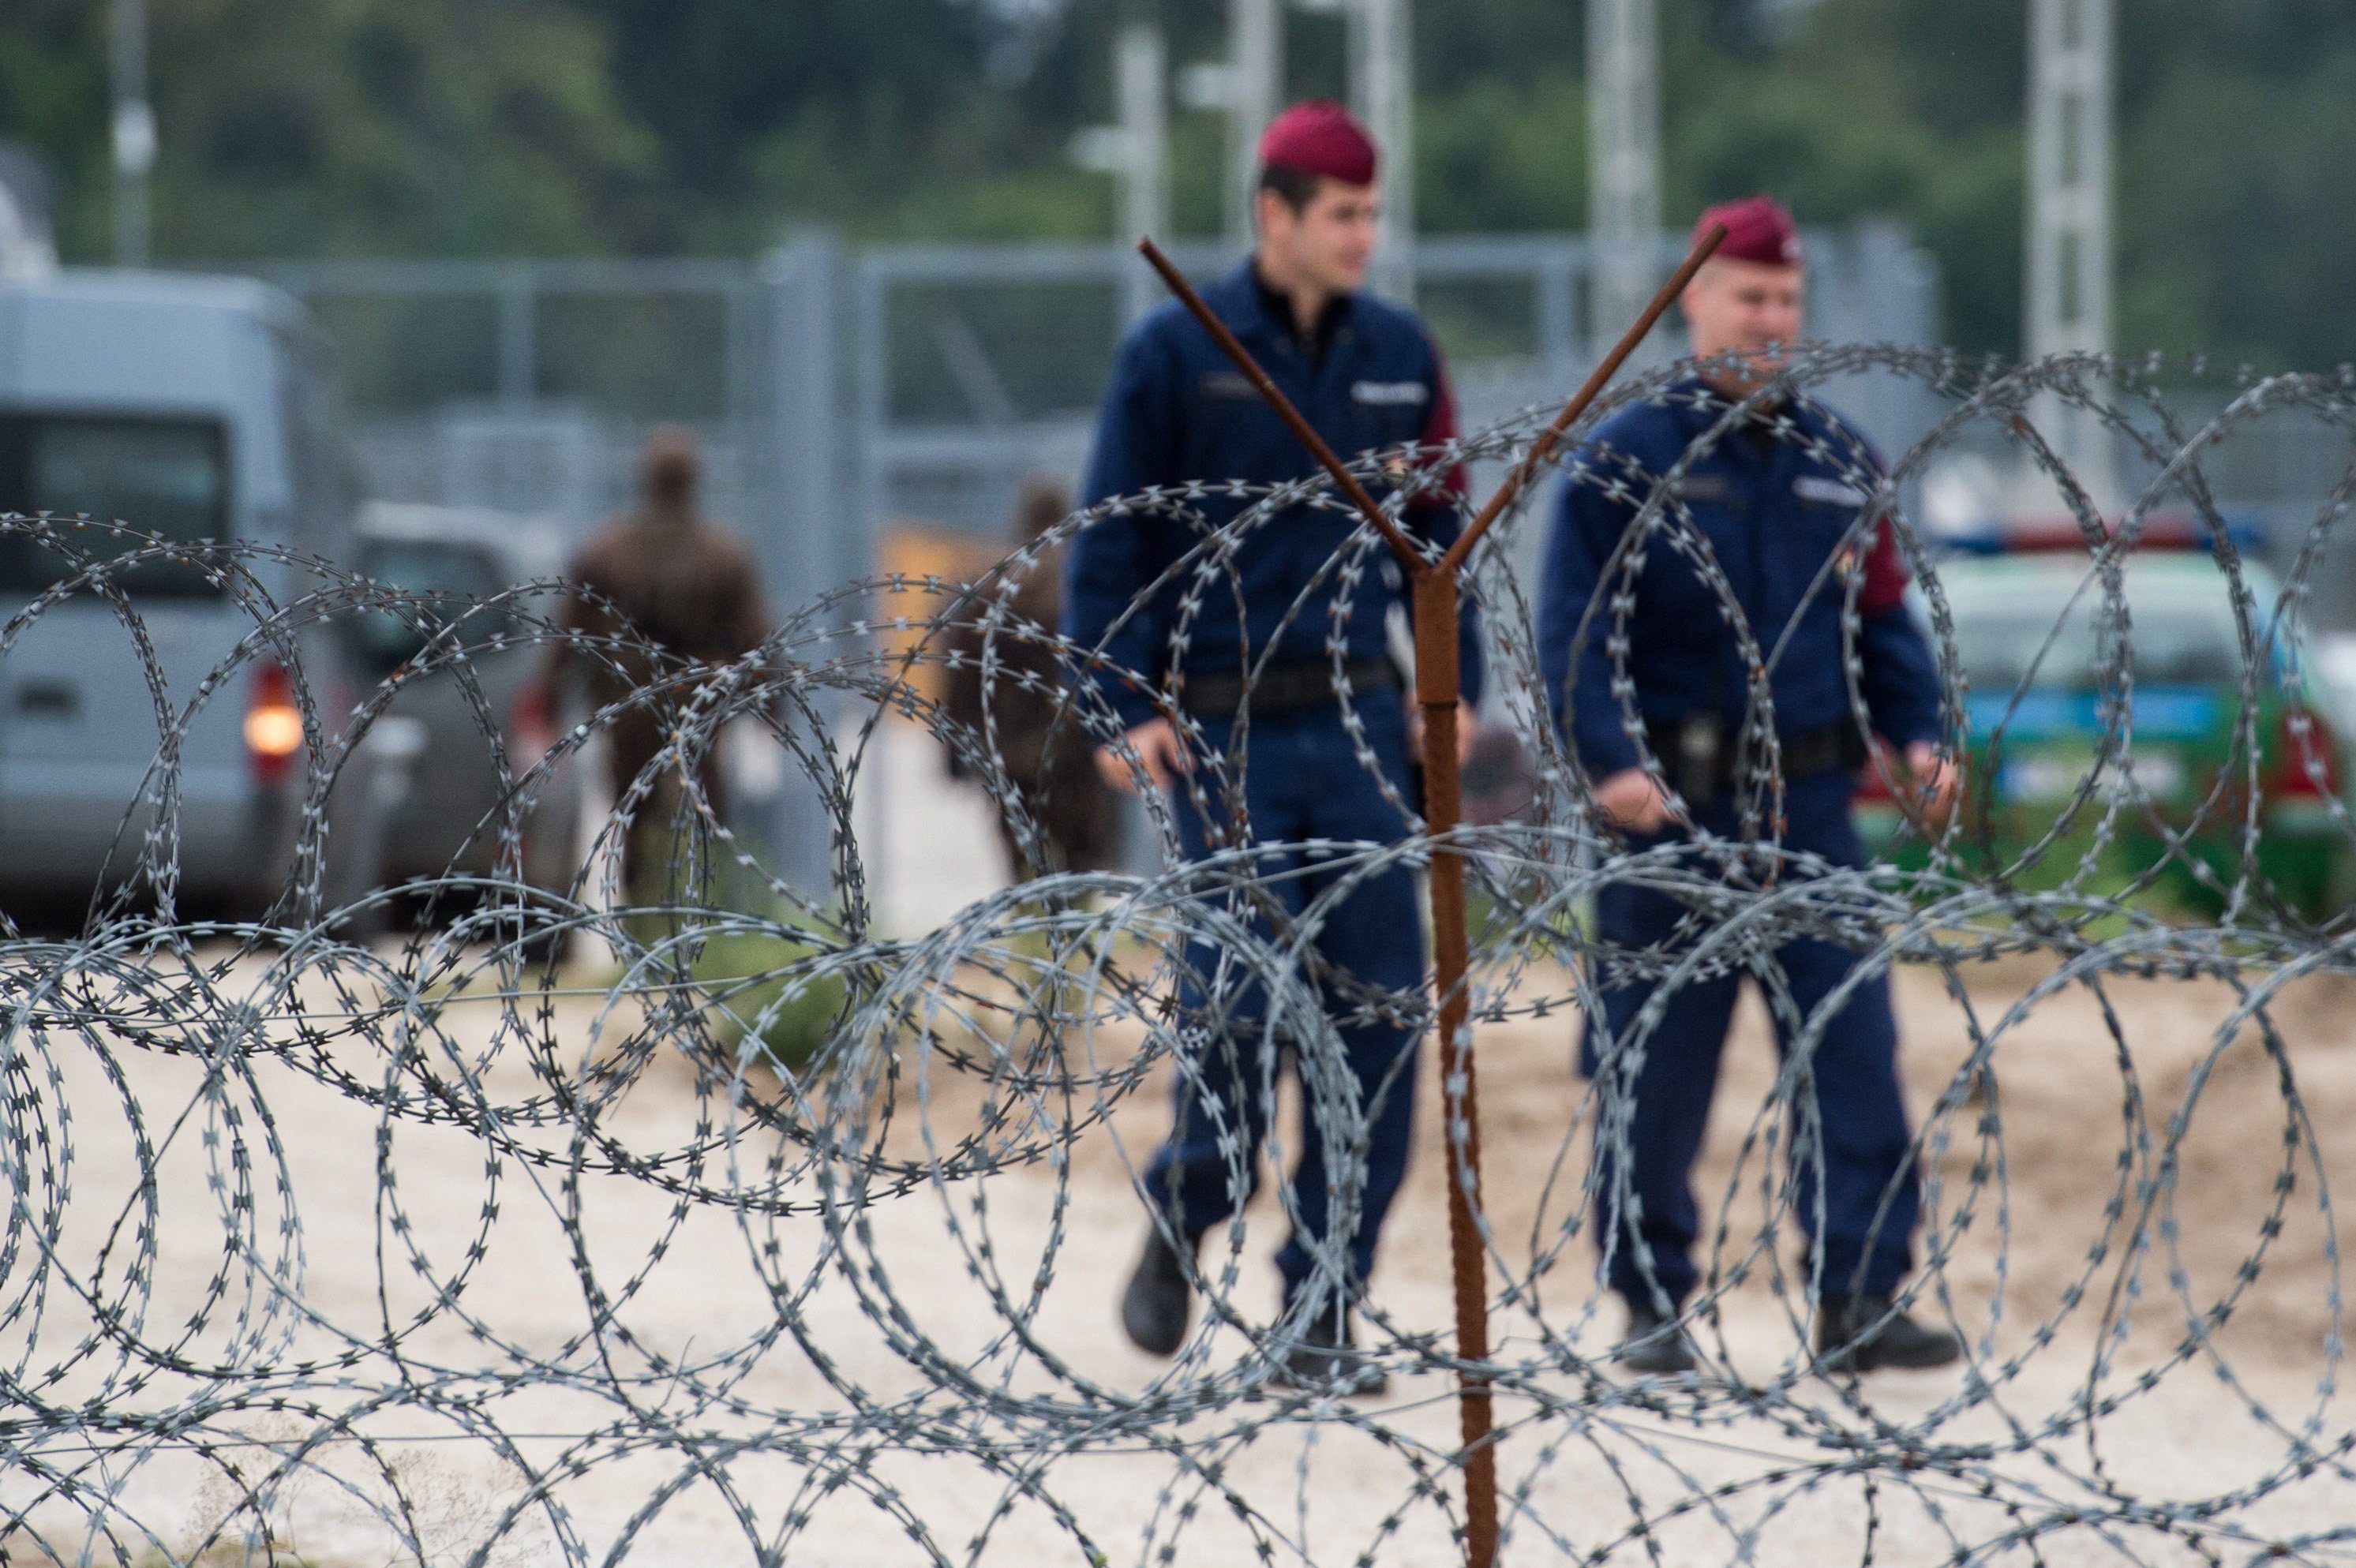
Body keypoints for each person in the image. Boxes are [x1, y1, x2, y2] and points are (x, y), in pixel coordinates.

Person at [1062, 101, 1481, 1393]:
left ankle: (1323, 1310)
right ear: (1276, 215)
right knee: (1236, 1013)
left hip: (1358, 727)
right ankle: (1189, 1204)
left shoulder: (1401, 357)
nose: (1365, 235)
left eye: (1372, 213)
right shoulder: (1178, 353)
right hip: (1222, 732)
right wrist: (1120, 709)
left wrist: (1465, 715)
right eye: (1343, 214)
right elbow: (1112, 544)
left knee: (1375, 1026)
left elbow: (1447, 547)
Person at [1536, 196, 1965, 1376]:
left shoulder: (1840, 459)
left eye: (1785, 300)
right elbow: (1572, 631)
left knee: (1851, 1051)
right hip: (1669, 811)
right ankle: (1652, 1305)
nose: (1768, 319)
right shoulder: (1627, 458)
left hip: (1812, 808)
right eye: (1747, 296)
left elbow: (1881, 623)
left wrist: (1918, 738)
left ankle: (1858, 1294)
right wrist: (1609, 764)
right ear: (1695, 299)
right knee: (1656, 1066)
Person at [536, 425, 770, 896]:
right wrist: (771, 701)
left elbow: (570, 635)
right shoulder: (722, 554)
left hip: (631, 704)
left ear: (645, 480)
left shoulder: (607, 550)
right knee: (703, 814)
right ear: (694, 482)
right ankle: (701, 916)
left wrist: (548, 699)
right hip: (699, 704)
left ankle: (639, 920)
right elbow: (755, 640)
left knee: (633, 817)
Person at [939, 476, 1122, 881]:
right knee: (1085, 862)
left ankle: (1033, 927)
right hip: (1077, 746)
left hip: (1010, 744)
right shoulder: (1083, 581)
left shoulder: (989, 585)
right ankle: (1075, 928)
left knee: (1023, 859)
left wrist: (953, 753)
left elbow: (961, 674)